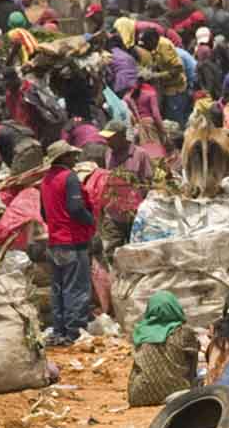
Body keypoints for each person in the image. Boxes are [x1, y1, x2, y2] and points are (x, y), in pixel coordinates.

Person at [40, 140, 95, 346]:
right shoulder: (69, 178)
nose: (75, 158)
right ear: (63, 158)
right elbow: (76, 209)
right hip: (72, 241)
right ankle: (74, 333)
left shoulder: (46, 180)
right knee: (76, 288)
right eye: (71, 156)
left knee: (58, 288)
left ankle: (59, 330)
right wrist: (91, 221)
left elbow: (43, 213)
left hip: (55, 242)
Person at [128, 291, 198, 406]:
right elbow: (193, 360)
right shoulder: (183, 332)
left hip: (140, 396)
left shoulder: (140, 333)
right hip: (177, 391)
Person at [100, 120, 153, 258]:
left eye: (111, 138)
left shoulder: (140, 155)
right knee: (111, 254)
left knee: (136, 254)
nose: (107, 141)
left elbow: (148, 184)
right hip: (113, 214)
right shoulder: (108, 153)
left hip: (135, 216)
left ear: (122, 136)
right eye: (106, 138)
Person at [138, 28, 189, 126]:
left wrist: (157, 76)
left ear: (152, 40)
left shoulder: (164, 46)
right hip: (166, 88)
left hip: (175, 89)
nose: (145, 47)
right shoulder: (155, 46)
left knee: (175, 121)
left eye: (146, 43)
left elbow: (178, 68)